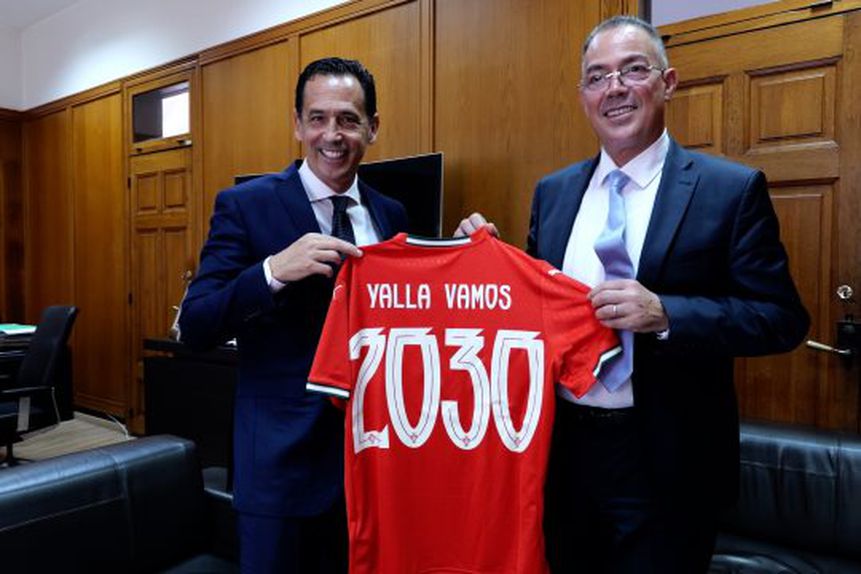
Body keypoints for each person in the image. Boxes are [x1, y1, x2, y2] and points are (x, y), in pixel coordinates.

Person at [456, 16, 809, 573]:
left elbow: (781, 318)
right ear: (583, 97)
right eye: (597, 77)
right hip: (562, 454)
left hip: (670, 464)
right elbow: (538, 312)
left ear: (668, 83)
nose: (614, 88)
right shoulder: (553, 193)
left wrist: (667, 314)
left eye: (633, 70)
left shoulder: (729, 190)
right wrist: (488, 262)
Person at [179, 57, 408, 573]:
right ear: (298, 125)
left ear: (372, 127)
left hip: (372, 462)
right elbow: (195, 324)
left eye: (348, 119)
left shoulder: (391, 213)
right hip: (279, 468)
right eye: (318, 118)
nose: (333, 135)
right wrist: (272, 272)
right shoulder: (245, 205)